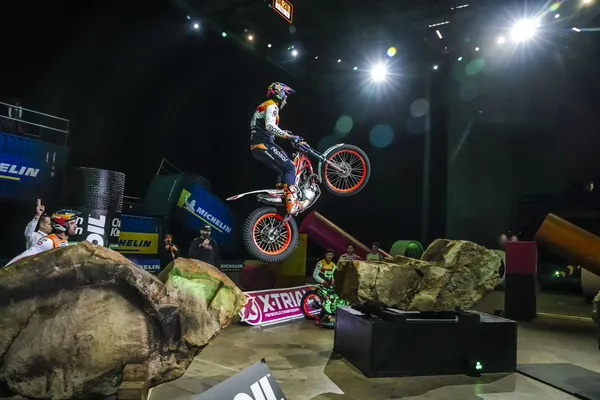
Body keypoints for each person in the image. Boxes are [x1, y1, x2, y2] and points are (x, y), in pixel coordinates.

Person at [250, 82, 309, 215]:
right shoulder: (272, 106)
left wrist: (285, 133)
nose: (286, 101)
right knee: (290, 167)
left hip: (259, 144)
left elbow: (265, 127)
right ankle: (292, 202)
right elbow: (270, 127)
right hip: (263, 144)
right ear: (280, 93)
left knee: (284, 169)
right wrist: (288, 136)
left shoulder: (265, 105)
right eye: (286, 96)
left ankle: (282, 195)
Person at [5, 209, 79, 267]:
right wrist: (3, 271)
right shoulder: (48, 242)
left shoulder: (63, 241)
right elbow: (21, 258)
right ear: (62, 225)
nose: (76, 226)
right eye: (72, 223)